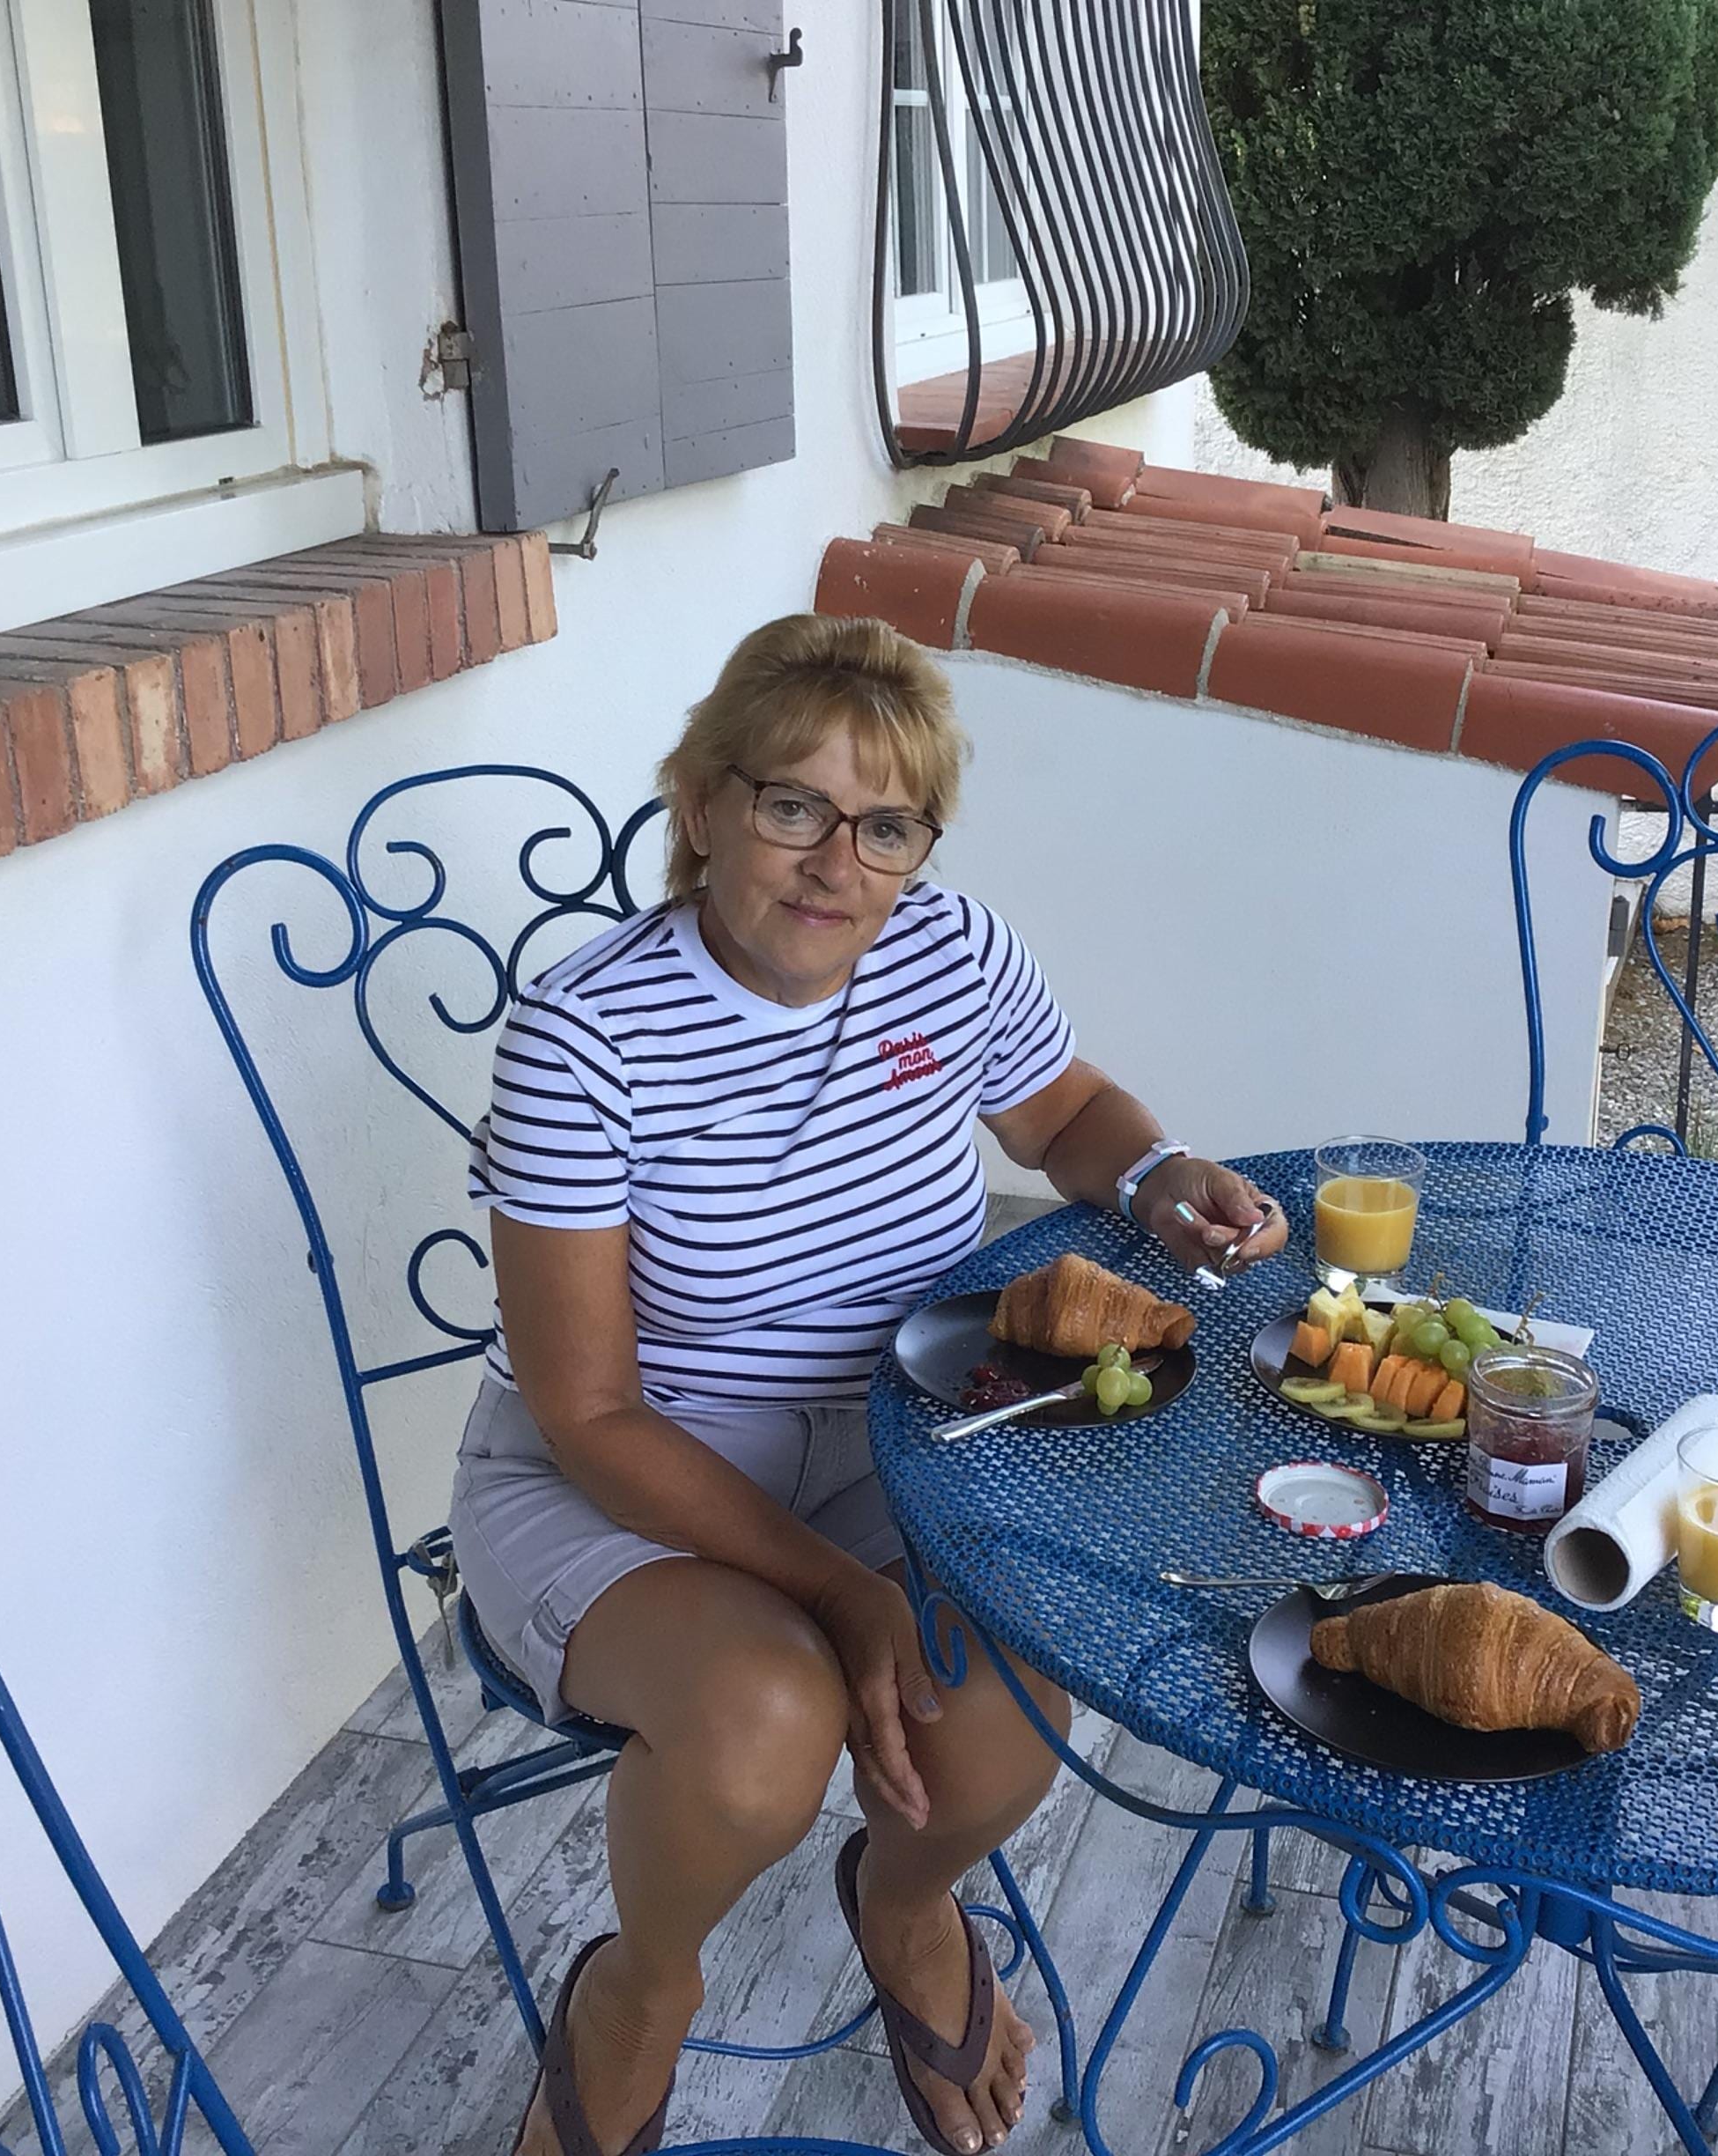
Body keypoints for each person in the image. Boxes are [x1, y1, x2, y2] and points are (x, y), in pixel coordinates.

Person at [454, 613, 1287, 2156]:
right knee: (769, 1719)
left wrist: (1163, 1177)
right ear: (700, 807)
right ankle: (640, 1990)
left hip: (911, 1434)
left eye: (887, 824)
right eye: (793, 806)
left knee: (1019, 1675)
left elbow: (1070, 1116)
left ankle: (905, 1904)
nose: (840, 862)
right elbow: (589, 1412)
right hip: (627, 1474)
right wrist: (843, 1592)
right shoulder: (583, 1037)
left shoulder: (948, 956)